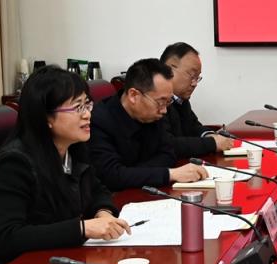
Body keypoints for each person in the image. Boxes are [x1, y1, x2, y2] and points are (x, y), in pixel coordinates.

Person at [0, 67, 130, 264]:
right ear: (46, 117)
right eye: (77, 107)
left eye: (87, 104)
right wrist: (83, 228)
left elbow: (97, 189)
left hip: (56, 258)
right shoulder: (14, 163)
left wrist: (103, 212)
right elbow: (8, 236)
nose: (87, 114)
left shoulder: (72, 147)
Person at [87, 58, 208, 191]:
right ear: (133, 95)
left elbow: (169, 154)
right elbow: (111, 176)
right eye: (160, 102)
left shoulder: (153, 114)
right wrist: (168, 174)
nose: (164, 110)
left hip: (145, 191)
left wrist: (131, 173)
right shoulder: (99, 121)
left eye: (168, 102)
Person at [160, 42, 233, 158]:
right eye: (191, 75)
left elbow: (194, 127)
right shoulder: (155, 101)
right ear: (169, 70)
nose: (194, 84)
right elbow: (168, 144)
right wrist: (212, 143)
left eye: (197, 77)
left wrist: (210, 135)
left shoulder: (180, 100)